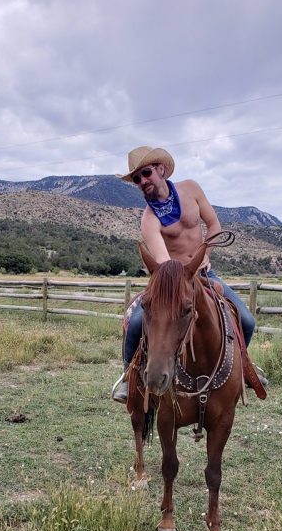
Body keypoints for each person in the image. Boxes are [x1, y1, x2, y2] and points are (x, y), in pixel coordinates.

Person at [112, 145, 263, 403]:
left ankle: (243, 369)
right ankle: (129, 377)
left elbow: (213, 223)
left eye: (145, 173)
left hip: (205, 273)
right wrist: (184, 271)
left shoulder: (191, 189)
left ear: (160, 168)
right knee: (137, 322)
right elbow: (163, 264)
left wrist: (206, 255)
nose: (142, 181)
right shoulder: (149, 219)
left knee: (247, 321)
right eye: (136, 179)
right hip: (171, 282)